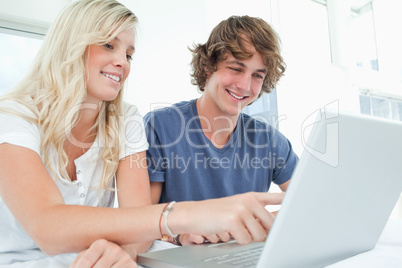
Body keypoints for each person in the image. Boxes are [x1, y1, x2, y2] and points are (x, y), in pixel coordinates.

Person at [0, 1, 283, 267]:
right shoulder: (13, 116)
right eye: (108, 45)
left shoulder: (126, 120)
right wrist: (188, 216)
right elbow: (47, 228)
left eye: (128, 54)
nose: (122, 62)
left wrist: (124, 250)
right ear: (69, 46)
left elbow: (139, 229)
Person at [144, 15, 299, 245]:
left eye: (257, 75)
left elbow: (312, 202)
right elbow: (139, 223)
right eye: (236, 68)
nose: (245, 85)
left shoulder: (270, 141)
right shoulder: (161, 127)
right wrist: (180, 235)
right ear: (208, 67)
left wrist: (249, 226)